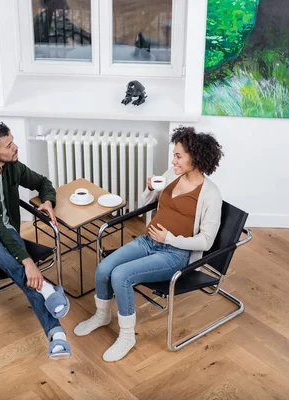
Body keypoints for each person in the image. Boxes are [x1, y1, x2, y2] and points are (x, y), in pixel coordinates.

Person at [74, 126, 224, 362]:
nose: (172, 161)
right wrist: (150, 189)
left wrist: (169, 239)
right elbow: (144, 203)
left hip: (175, 254)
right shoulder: (172, 175)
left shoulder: (211, 195)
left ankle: (126, 336)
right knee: (104, 268)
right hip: (148, 241)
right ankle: (102, 316)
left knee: (121, 275)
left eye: (178, 156)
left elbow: (207, 240)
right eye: (173, 155)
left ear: (195, 158)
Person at [0, 121, 71, 360]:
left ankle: (56, 335)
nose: (16, 147)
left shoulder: (12, 166)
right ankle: (47, 291)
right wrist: (28, 261)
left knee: (20, 266)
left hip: (6, 241)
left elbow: (42, 182)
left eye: (13, 141)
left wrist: (48, 200)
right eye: (9, 145)